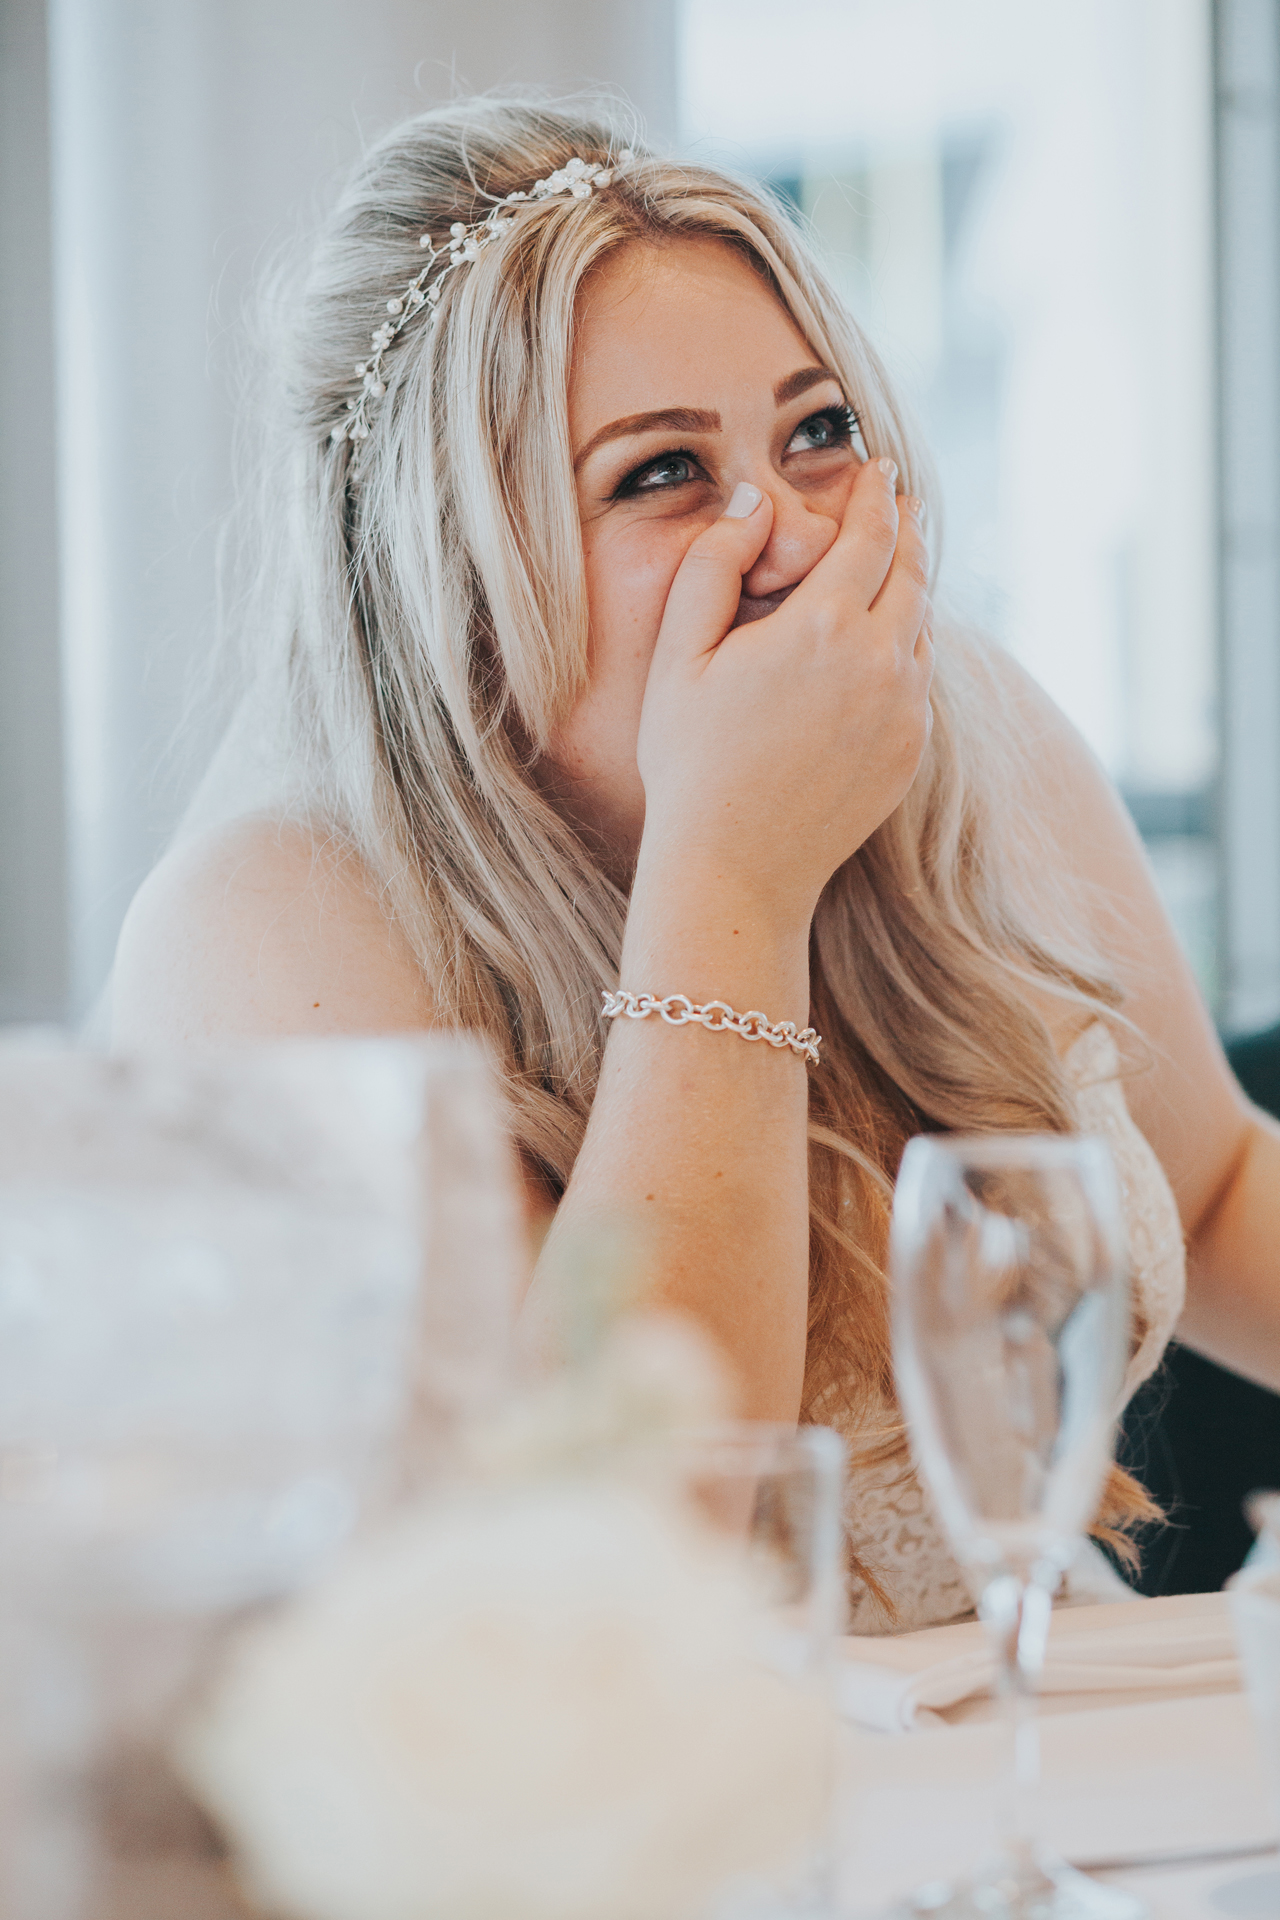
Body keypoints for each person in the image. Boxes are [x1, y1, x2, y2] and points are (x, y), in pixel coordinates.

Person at [111, 99, 1280, 1631]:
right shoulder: (267, 932)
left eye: (819, 432)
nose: (786, 534)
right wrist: (734, 878)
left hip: (1040, 1784)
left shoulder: (958, 725)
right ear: (458, 582)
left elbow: (1208, 1198)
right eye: (661, 473)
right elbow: (604, 1576)